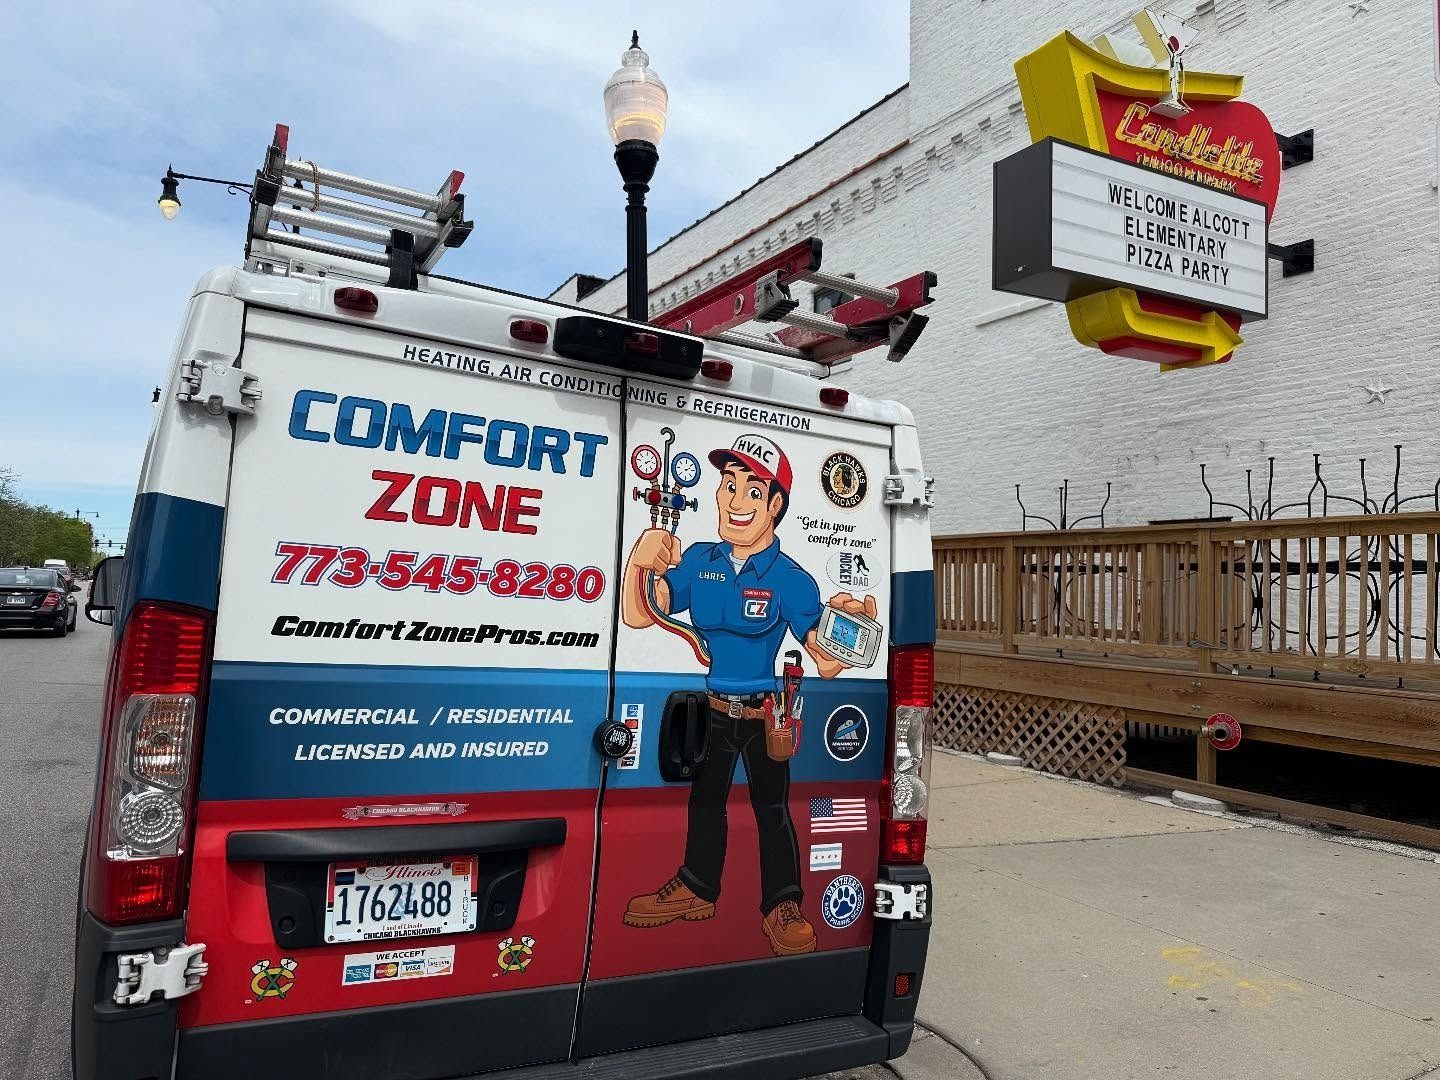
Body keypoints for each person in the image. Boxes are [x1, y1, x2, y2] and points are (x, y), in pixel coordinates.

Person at [620, 433, 877, 956]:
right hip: (712, 711)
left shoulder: (791, 580)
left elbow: (825, 662)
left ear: (775, 505)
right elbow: (639, 612)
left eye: (752, 491)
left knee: (772, 809)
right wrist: (640, 563)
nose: (735, 501)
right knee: (706, 803)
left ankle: (782, 905)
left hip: (767, 714)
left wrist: (848, 631)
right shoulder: (698, 560)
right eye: (728, 485)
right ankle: (695, 888)